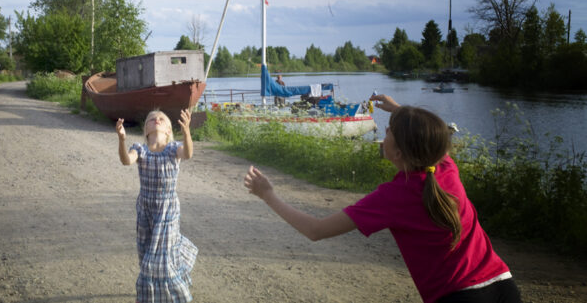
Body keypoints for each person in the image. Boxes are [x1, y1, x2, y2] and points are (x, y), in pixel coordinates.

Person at [244, 94, 521, 303]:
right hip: (504, 286)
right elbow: (431, 138)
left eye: (389, 130)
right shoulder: (444, 169)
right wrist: (401, 111)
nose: (384, 132)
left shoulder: (394, 196)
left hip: (457, 298)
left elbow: (316, 230)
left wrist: (268, 194)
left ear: (398, 152)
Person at [117, 109, 198, 302]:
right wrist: (121, 140)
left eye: (162, 119)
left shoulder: (173, 149)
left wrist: (186, 131)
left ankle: (176, 296)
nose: (157, 120)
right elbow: (126, 160)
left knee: (161, 258)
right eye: (152, 119)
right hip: (145, 210)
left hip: (168, 210)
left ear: (169, 131)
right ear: (146, 130)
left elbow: (187, 153)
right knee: (146, 253)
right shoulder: (140, 149)